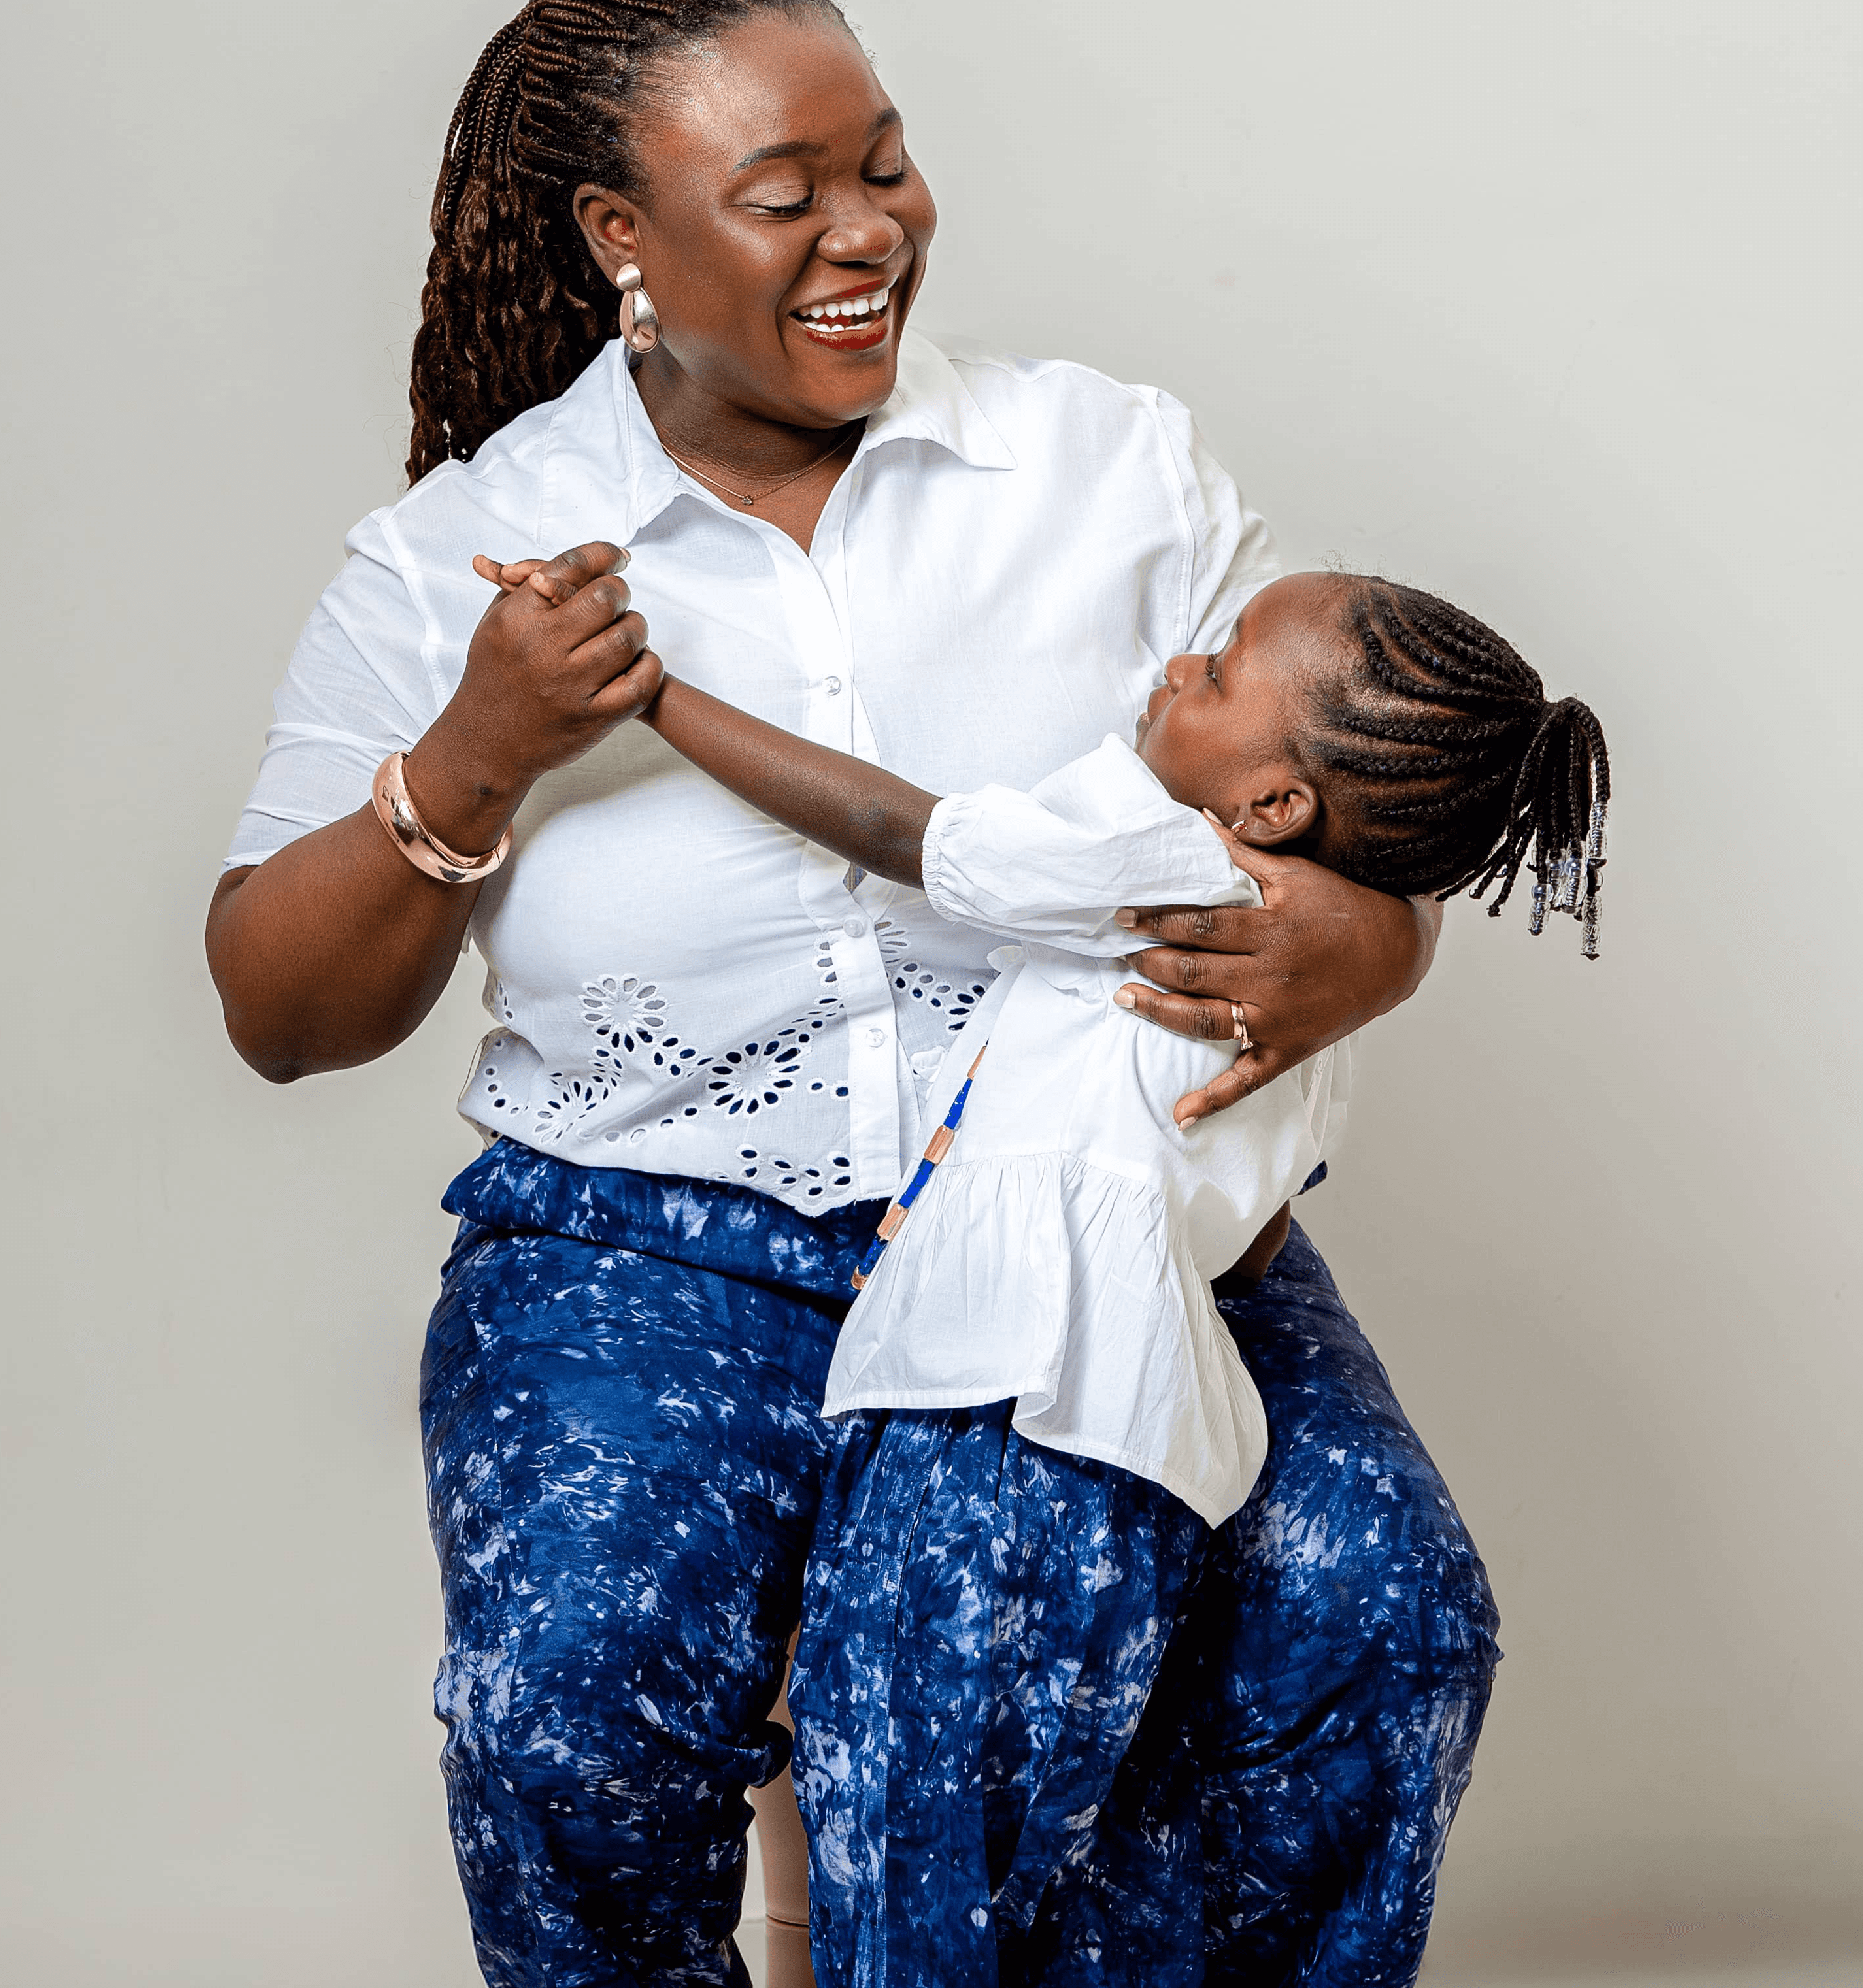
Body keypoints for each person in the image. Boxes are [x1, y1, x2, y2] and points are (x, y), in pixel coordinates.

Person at [205, 0, 1500, 1988]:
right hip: (653, 1253)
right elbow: (277, 1008)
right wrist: (477, 750)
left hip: (1099, 1228)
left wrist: (1377, 951)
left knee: (1384, 1607)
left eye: (883, 164)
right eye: (783, 195)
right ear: (624, 234)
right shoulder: (467, 549)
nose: (865, 231)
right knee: (566, 1706)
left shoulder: (1108, 463)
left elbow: (1335, 800)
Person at [548, 557, 1607, 1983]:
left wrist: (659, 697)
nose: (1182, 664)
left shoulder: (1158, 855)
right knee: (1070, 1870)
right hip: (1145, 1470)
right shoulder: (1304, 1000)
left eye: (1222, 666)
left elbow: (893, 826)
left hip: (990, 1419)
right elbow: (1260, 1228)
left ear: (1277, 805)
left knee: (908, 1851)